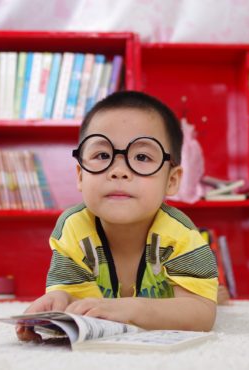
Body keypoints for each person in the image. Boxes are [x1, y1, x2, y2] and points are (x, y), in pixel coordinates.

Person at [17, 91, 219, 342]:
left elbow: (202, 313)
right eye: (102, 156)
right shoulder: (73, 228)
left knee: (213, 295)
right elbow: (75, 297)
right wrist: (59, 301)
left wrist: (129, 308)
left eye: (142, 157)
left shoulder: (182, 235)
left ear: (172, 180)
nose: (119, 171)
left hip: (170, 299)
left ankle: (218, 291)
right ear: (80, 175)